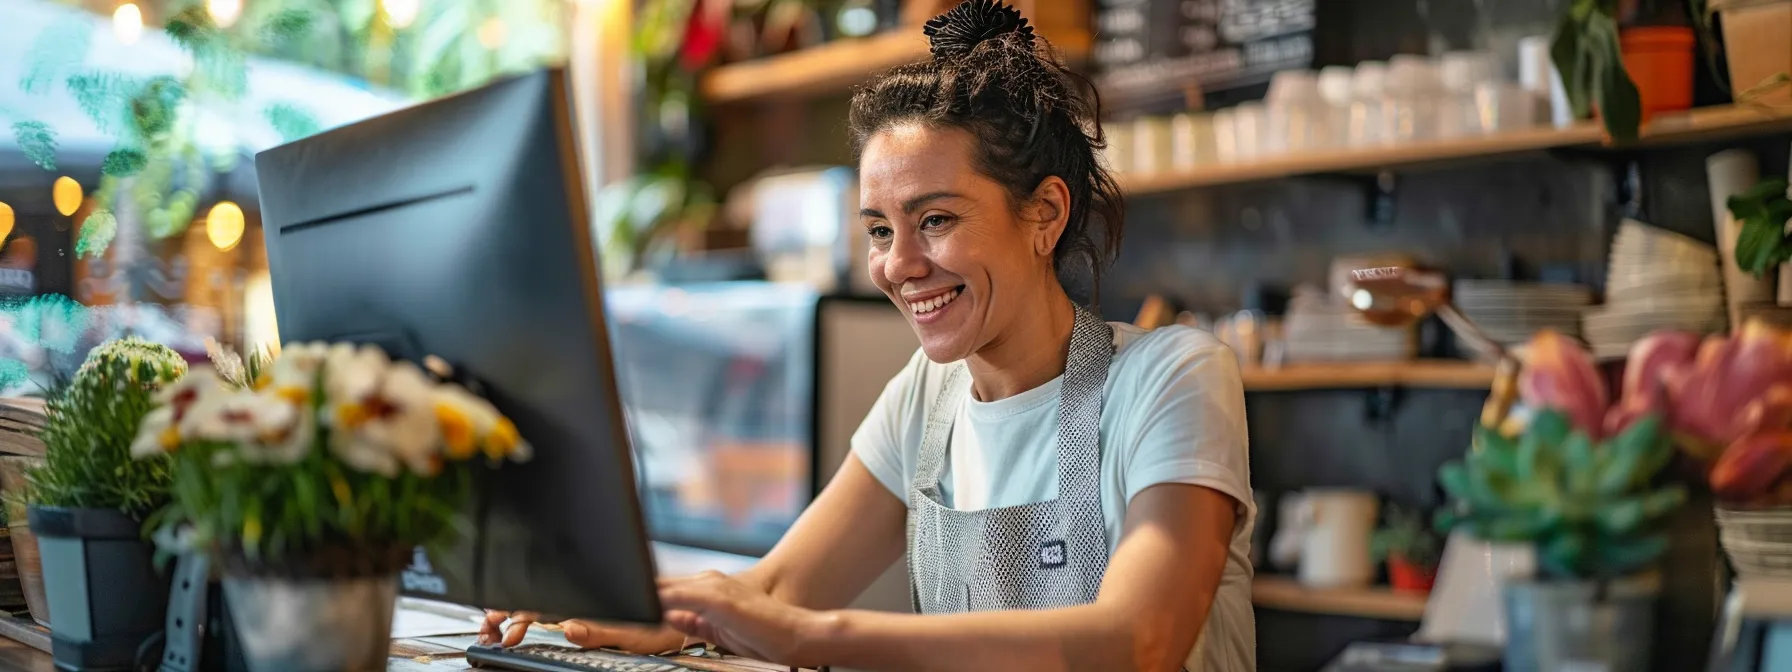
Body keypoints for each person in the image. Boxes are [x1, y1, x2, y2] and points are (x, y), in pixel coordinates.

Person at [479, 1, 1255, 669]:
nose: (899, 265)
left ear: (1046, 214)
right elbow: (776, 590)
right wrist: (637, 616)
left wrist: (817, 636)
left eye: (937, 220)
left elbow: (1140, 642)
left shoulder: (1173, 377)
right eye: (879, 230)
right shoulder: (927, 396)